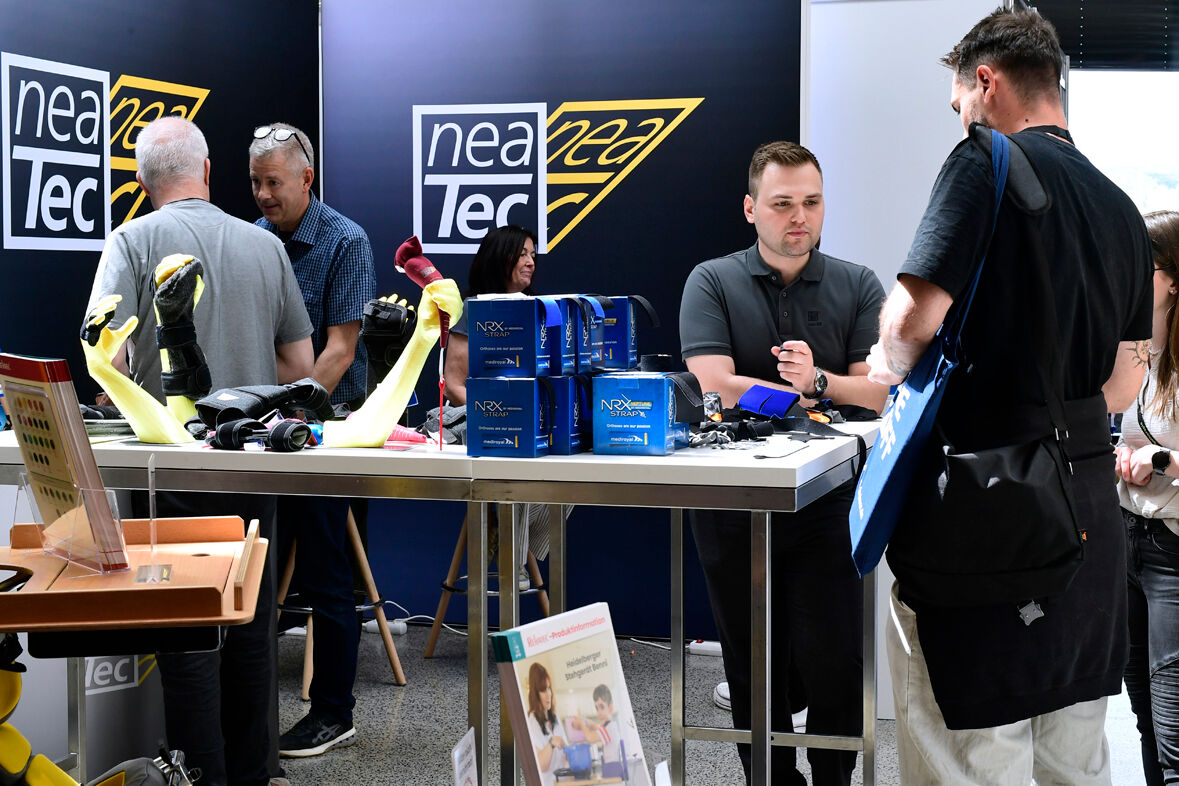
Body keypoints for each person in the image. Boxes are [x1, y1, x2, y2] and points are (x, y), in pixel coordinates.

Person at [866, 9, 1153, 783]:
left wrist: (889, 355)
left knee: (968, 755)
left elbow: (908, 328)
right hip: (1084, 514)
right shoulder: (1121, 209)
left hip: (981, 508)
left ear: (985, 82)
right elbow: (1122, 384)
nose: (959, 116)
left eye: (958, 101)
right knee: (1072, 759)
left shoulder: (982, 161)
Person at [88, 115, 314, 786]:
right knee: (251, 630)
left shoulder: (130, 241)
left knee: (188, 637)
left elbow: (108, 362)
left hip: (171, 472)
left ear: (141, 182)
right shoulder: (266, 245)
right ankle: (255, 774)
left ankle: (200, 780)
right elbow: (298, 366)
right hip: (251, 466)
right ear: (208, 171)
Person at [679, 140, 887, 785]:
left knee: (834, 658)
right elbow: (712, 383)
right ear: (751, 209)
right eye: (782, 204)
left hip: (831, 498)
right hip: (733, 501)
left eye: (812, 202)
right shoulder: (712, 280)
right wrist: (798, 397)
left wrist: (820, 382)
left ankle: (833, 780)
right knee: (751, 662)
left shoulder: (858, 283)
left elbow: (878, 392)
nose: (799, 217)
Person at [249, 122, 376, 758]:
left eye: (273, 182)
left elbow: (340, 352)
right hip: (261, 427)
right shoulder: (254, 239)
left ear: (306, 178)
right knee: (246, 567)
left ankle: (333, 712)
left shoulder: (345, 241)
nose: (263, 195)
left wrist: (287, 419)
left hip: (326, 427)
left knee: (326, 573)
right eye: (255, 183)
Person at [444, 225, 547, 589]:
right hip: (487, 425)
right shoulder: (473, 312)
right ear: (500, 258)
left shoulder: (537, 310)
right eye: (523, 254)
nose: (531, 262)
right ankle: (512, 561)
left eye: (533, 255)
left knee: (570, 476)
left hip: (533, 422)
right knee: (516, 469)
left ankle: (502, 536)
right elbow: (454, 385)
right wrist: (498, 413)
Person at [1116, 210, 1179, 785]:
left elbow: (1159, 452)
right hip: (1131, 542)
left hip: (1172, 555)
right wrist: (1124, 455)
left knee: (1174, 732)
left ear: (1173, 280)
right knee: (1146, 722)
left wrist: (1159, 461)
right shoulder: (1141, 352)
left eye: (1143, 266)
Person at [524, 663, 596, 786]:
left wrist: (575, 751)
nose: (548, 694)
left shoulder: (555, 718)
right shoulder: (531, 722)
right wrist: (551, 743)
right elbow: (541, 765)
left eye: (549, 688)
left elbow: (565, 754)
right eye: (543, 690)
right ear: (535, 694)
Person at [588, 684, 649, 785]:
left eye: (602, 707)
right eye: (596, 708)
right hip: (612, 773)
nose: (599, 713)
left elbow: (590, 738)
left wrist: (581, 724)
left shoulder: (609, 728)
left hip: (613, 773)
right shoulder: (610, 726)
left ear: (611, 708)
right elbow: (597, 727)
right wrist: (589, 723)